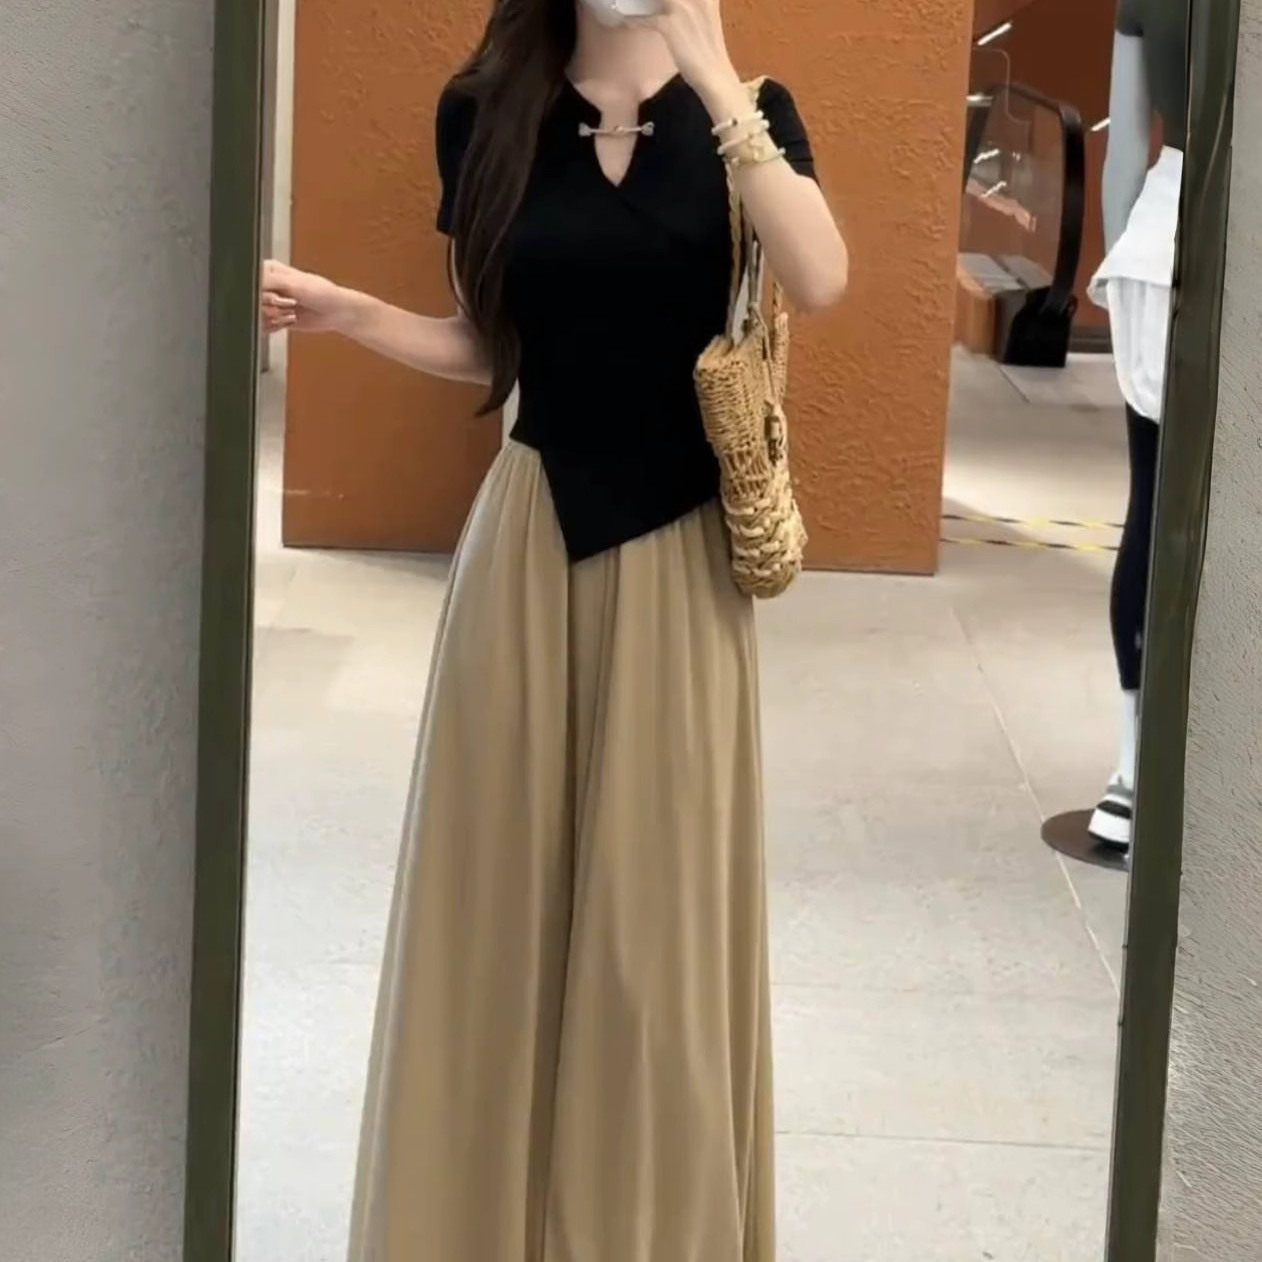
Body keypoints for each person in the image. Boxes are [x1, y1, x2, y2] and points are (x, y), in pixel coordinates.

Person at [260, 0, 847, 1256]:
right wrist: (345, 311)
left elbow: (819, 275)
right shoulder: (484, 111)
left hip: (682, 557)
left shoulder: (748, 112)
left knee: (658, 933)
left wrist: (713, 76)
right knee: (495, 909)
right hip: (528, 542)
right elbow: (493, 344)